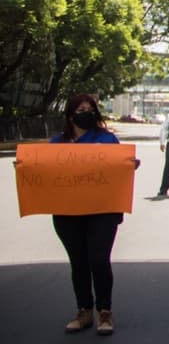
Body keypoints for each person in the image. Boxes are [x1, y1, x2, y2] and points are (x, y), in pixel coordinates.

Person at [15, 94, 140, 335]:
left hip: (102, 211)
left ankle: (105, 312)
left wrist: (130, 165)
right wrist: (25, 167)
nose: (86, 113)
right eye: (81, 109)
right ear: (70, 115)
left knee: (99, 260)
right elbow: (44, 170)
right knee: (79, 262)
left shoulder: (107, 139)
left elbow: (119, 169)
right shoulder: (57, 143)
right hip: (67, 212)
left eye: (90, 109)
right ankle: (84, 311)